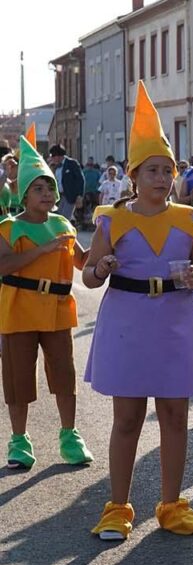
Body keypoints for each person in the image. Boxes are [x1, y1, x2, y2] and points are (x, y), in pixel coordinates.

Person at [82, 82, 193, 540]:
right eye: (153, 170)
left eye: (168, 170)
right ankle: (118, 507)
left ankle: (172, 504)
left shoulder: (187, 219)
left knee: (176, 414)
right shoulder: (113, 219)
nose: (162, 178)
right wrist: (101, 265)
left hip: (174, 321)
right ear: (134, 175)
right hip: (128, 321)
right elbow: (89, 277)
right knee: (128, 418)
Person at [0, 136, 93, 470]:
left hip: (56, 310)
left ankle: (70, 436)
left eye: (50, 188)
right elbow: (4, 266)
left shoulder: (63, 224)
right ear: (24, 193)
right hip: (18, 309)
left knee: (64, 375)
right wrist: (43, 250)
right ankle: (19, 440)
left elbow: (84, 262)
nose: (47, 194)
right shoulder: (8, 227)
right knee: (18, 378)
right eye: (39, 188)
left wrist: (106, 252)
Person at [47, 144, 84, 221]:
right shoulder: (53, 166)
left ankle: (66, 232)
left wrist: (79, 195)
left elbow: (80, 179)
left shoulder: (72, 163)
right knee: (58, 216)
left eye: (53, 156)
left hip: (69, 195)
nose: (52, 158)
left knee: (64, 218)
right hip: (59, 196)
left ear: (59, 156)